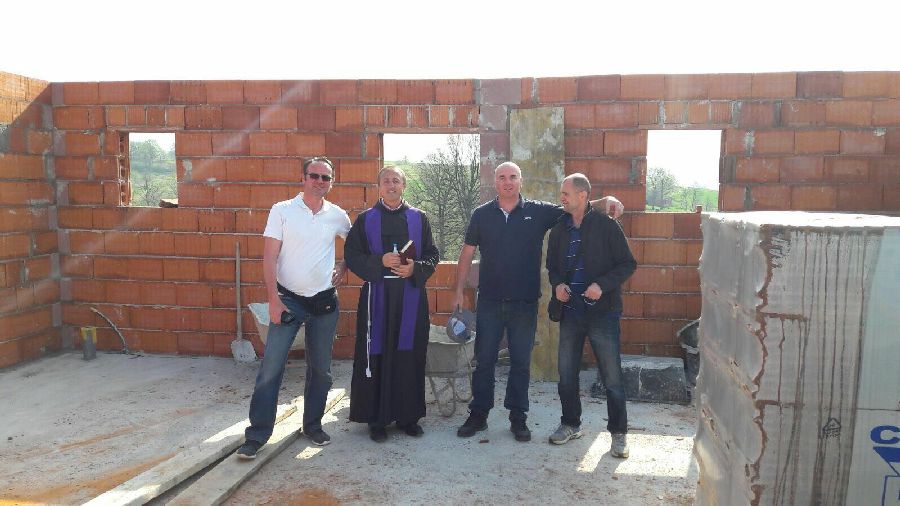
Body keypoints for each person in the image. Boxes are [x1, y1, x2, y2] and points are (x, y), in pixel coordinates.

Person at [454, 161, 624, 442]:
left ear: (521, 181)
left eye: (513, 177)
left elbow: (574, 206)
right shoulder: (481, 215)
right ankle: (478, 415)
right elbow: (467, 253)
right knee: (484, 361)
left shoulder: (538, 211)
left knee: (521, 363)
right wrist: (459, 290)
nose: (507, 182)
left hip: (524, 303)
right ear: (495, 182)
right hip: (490, 302)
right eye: (502, 177)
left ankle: (518, 418)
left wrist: (606, 201)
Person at [237, 156, 350, 459]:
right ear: (303, 178)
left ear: (331, 182)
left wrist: (344, 265)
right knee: (271, 369)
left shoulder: (337, 215)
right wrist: (273, 300)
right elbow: (269, 257)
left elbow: (356, 247)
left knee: (321, 370)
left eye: (325, 178)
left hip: (324, 302)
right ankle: (257, 435)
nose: (319, 182)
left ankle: (312, 426)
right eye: (314, 176)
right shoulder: (282, 210)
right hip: (288, 300)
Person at [344, 166, 439, 442]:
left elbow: (432, 254)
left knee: (409, 354)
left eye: (396, 180)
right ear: (379, 186)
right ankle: (377, 420)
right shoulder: (365, 220)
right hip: (377, 296)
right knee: (377, 353)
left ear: (404, 185)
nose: (391, 185)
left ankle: (409, 417)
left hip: (410, 296)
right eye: (386, 181)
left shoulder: (419, 218)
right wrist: (380, 261)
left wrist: (415, 268)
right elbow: (352, 255)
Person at [545, 173, 636, 457]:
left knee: (612, 378)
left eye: (566, 193)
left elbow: (627, 264)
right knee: (566, 375)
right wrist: (558, 285)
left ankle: (619, 435)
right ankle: (570, 424)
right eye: (561, 193)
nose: (561, 198)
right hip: (571, 312)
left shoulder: (606, 225)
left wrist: (601, 285)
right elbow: (552, 267)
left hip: (603, 314)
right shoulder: (559, 230)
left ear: (582, 195)